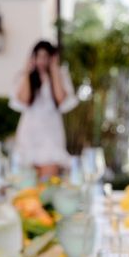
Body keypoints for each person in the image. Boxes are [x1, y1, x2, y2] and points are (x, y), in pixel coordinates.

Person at [10, 40, 77, 179]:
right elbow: (24, 100)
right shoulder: (25, 76)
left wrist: (54, 71)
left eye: (46, 56)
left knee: (48, 179)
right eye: (38, 56)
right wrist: (28, 72)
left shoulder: (60, 75)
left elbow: (61, 99)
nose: (42, 60)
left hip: (51, 133)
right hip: (29, 132)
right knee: (28, 180)